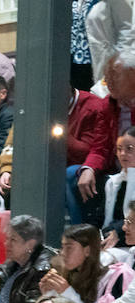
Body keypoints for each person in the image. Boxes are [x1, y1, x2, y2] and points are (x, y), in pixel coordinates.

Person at [40, 223, 133, 303]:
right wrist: (48, 295)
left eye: (69, 248)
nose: (63, 253)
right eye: (62, 247)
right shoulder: (64, 274)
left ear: (87, 251)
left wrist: (67, 292)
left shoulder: (113, 278)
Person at [0, 215, 57, 303]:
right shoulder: (12, 265)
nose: (6, 244)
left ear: (30, 244)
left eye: (13, 240)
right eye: (7, 239)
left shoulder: (42, 270)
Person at [66, 85, 117, 226]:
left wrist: (63, 137)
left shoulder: (94, 105)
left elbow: (89, 150)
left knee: (68, 174)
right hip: (64, 163)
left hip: (100, 166)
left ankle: (77, 231)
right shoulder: (41, 108)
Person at [101, 128, 135, 243]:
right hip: (109, 236)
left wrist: (117, 232)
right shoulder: (111, 182)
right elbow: (102, 218)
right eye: (119, 149)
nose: (123, 154)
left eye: (129, 149)